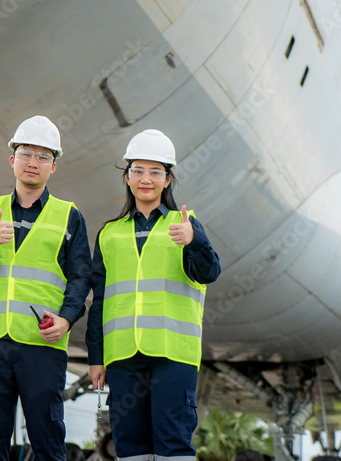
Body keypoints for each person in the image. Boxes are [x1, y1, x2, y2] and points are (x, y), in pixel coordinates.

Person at [0, 115, 92, 461]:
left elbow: (81, 278)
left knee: (47, 441)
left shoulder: (69, 216)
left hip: (42, 345)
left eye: (43, 156)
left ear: (53, 166)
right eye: (27, 153)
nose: (33, 162)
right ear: (12, 159)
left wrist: (67, 320)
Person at [85, 129, 221, 461]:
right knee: (129, 446)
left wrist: (195, 241)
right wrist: (95, 356)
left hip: (173, 353)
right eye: (138, 171)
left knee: (173, 444)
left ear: (168, 179)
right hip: (123, 354)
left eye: (155, 172)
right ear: (128, 178)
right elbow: (99, 299)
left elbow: (209, 272)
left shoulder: (185, 224)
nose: (146, 179)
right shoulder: (109, 233)